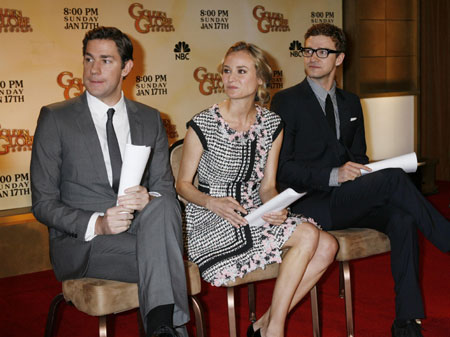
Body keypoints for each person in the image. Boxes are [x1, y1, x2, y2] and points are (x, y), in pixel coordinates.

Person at [271, 23, 450, 337]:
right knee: (394, 179)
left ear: (339, 58)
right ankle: (445, 237)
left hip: (345, 199)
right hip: (308, 202)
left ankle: (406, 322)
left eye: (322, 51)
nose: (312, 57)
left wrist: (359, 174)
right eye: (308, 50)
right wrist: (333, 175)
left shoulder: (351, 103)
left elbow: (360, 159)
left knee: (403, 217)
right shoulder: (287, 101)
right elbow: (282, 169)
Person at [31, 26, 189, 337]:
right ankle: (166, 329)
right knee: (165, 261)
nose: (94, 69)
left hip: (143, 230)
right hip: (86, 244)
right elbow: (43, 204)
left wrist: (149, 199)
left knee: (165, 204)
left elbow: (164, 189)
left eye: (106, 60)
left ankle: (162, 329)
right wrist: (98, 223)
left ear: (127, 67)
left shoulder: (149, 118)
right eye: (89, 59)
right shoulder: (56, 118)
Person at [176, 41, 338, 337]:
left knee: (328, 245)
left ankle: (264, 325)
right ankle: (273, 330)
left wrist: (276, 206)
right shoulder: (203, 124)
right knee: (308, 236)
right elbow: (182, 186)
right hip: (212, 219)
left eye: (241, 71)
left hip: (255, 210)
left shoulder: (273, 123)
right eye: (227, 71)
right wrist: (211, 202)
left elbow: (268, 186)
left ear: (260, 79)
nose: (231, 79)